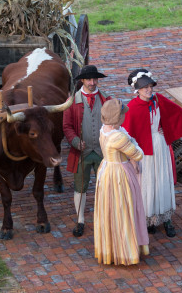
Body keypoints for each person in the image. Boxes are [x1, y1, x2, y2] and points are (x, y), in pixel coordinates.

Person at [121, 68, 182, 237]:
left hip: (160, 147)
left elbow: (177, 114)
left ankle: (166, 220)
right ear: (137, 89)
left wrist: (166, 130)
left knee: (162, 181)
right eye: (144, 87)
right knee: (146, 184)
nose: (149, 90)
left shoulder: (159, 100)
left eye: (150, 86)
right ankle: (149, 219)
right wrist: (132, 156)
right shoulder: (132, 107)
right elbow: (127, 133)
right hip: (143, 152)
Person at [94, 98, 149, 265]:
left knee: (109, 210)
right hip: (119, 174)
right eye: (122, 115)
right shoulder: (118, 137)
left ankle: (110, 249)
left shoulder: (105, 130)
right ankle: (125, 251)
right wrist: (131, 140)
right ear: (117, 118)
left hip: (106, 170)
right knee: (123, 209)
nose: (125, 117)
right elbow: (138, 154)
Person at [63, 64, 111, 237]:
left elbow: (114, 122)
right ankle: (80, 219)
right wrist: (75, 141)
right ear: (82, 80)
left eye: (95, 79)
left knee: (105, 186)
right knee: (80, 187)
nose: (93, 82)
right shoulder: (72, 102)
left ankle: (104, 218)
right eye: (89, 79)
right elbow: (67, 126)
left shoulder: (106, 99)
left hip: (102, 152)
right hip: (81, 153)